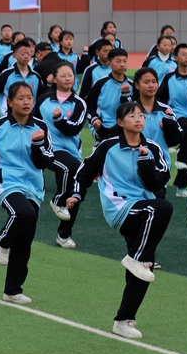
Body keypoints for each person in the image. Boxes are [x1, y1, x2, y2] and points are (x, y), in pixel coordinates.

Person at [67, 102, 172, 340]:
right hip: (119, 208)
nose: (138, 119)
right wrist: (76, 195)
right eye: (132, 116)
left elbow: (159, 182)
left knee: (144, 265)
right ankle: (135, 257)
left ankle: (124, 320)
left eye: (141, 115)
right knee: (163, 208)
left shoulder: (152, 148)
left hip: (144, 211)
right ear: (120, 122)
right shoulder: (108, 146)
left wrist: (146, 161)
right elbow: (84, 172)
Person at [0, 82, 53, 305]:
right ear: (10, 102)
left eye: (29, 98)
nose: (26, 102)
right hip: (6, 182)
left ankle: (13, 290)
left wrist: (38, 144)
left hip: (34, 186)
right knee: (23, 213)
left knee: (25, 238)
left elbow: (45, 161)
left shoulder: (41, 127)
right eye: (20, 98)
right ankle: (2, 240)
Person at [35, 62, 87, 249]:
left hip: (71, 151)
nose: (68, 79)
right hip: (49, 148)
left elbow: (73, 129)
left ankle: (64, 235)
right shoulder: (43, 100)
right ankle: (57, 201)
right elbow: (33, 121)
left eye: (70, 75)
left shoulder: (79, 103)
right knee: (70, 168)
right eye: (63, 76)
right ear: (54, 79)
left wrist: (59, 119)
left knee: (75, 192)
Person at [158, 43, 187, 196]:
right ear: (176, 58)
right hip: (176, 113)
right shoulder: (169, 78)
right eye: (183, 54)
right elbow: (160, 98)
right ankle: (181, 158)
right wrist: (166, 112)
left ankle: (181, 187)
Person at [85, 47, 134, 142]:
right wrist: (94, 119)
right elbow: (88, 106)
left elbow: (132, 110)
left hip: (125, 130)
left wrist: (126, 95)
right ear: (109, 64)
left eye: (125, 61)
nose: (122, 64)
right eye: (118, 61)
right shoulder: (100, 84)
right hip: (103, 129)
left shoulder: (132, 86)